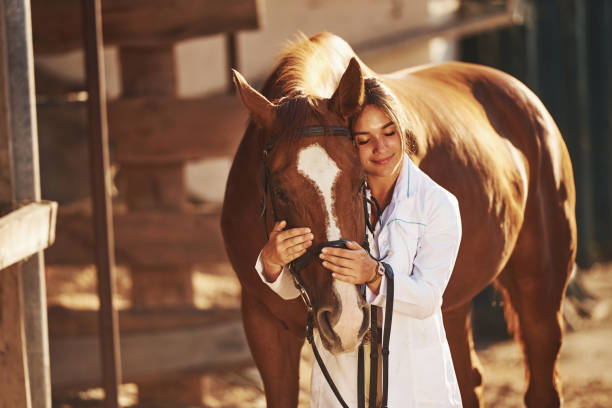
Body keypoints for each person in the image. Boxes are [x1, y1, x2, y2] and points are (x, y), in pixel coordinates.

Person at [255, 77, 463, 407]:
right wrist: (272, 263)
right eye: (364, 139)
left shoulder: (437, 205)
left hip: (413, 384)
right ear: (350, 143)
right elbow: (303, 286)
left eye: (389, 132)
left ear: (402, 128)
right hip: (342, 381)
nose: (380, 148)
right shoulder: (331, 195)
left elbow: (427, 299)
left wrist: (374, 275)